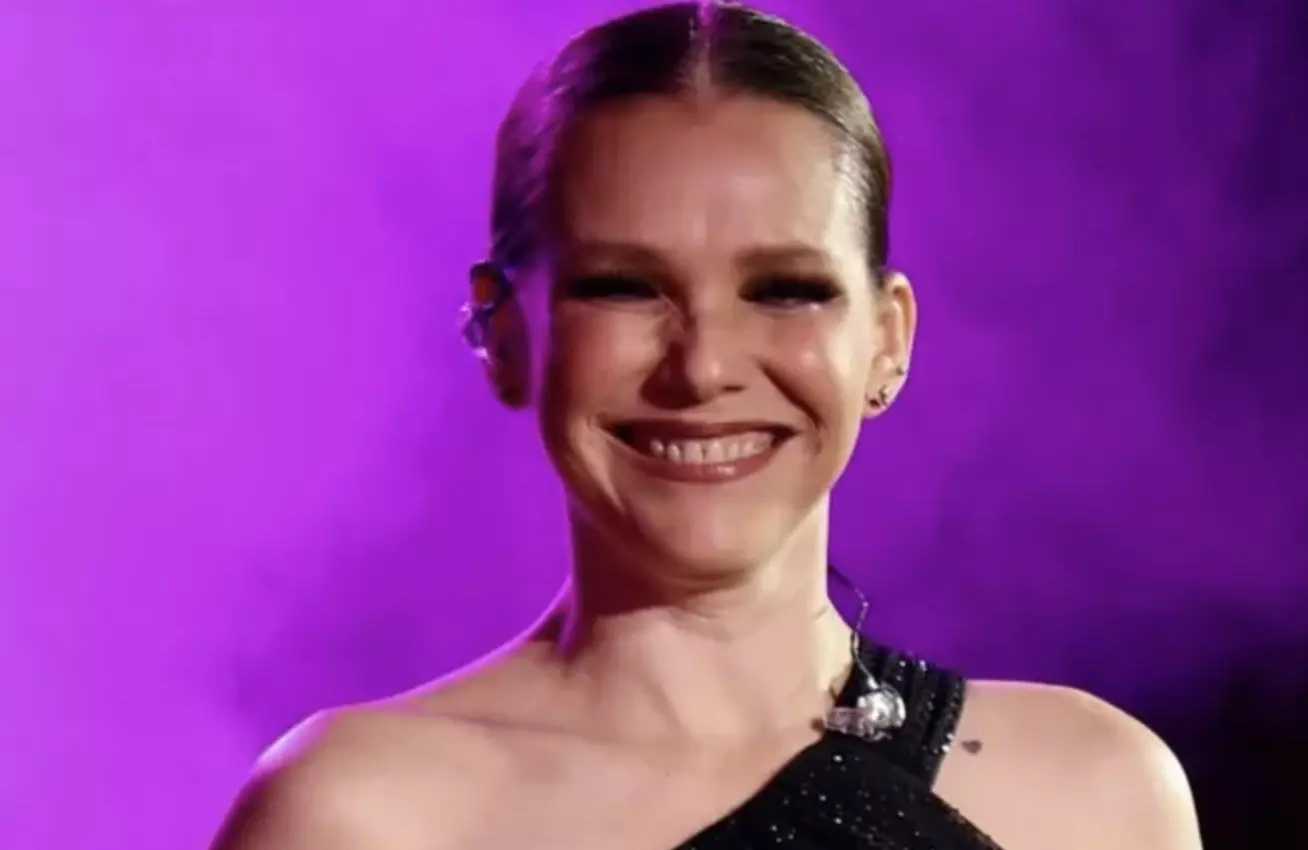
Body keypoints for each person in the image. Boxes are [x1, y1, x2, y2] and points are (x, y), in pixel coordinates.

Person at [210, 3, 1205, 848]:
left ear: (887, 339)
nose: (705, 366)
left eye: (785, 289)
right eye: (623, 287)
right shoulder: (362, 817)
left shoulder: (1093, 797)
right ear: (504, 332)